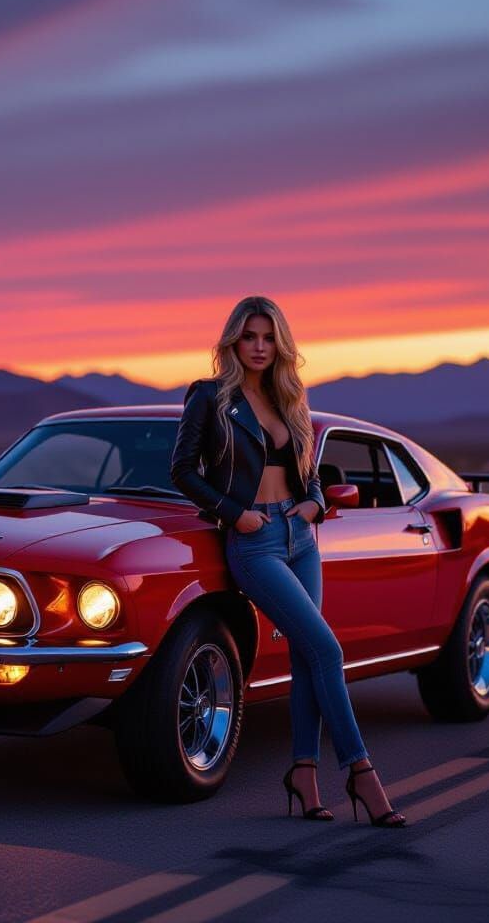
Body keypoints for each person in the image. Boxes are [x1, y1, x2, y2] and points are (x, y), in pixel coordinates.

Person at [170, 295, 406, 827]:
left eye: (268, 337)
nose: (258, 347)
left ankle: (303, 771)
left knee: (307, 657)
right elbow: (182, 470)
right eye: (249, 336)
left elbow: (310, 469)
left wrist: (316, 503)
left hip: (301, 535)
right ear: (233, 340)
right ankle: (361, 772)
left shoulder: (290, 397)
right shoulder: (209, 398)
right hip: (253, 541)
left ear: (281, 344)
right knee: (327, 647)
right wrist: (234, 513)